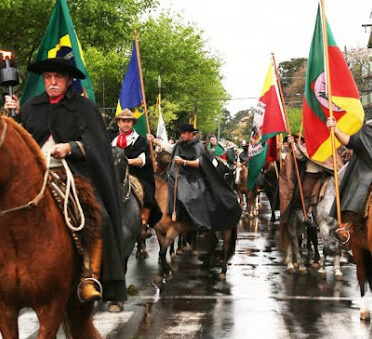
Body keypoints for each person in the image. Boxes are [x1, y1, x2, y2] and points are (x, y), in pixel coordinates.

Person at [4, 57, 126, 303]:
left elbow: (97, 144)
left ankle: (88, 275)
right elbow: (16, 141)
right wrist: (12, 115)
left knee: (99, 216)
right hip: (35, 173)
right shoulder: (30, 106)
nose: (52, 82)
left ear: (69, 80)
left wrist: (71, 147)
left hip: (73, 173)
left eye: (57, 77)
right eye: (48, 77)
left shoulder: (85, 108)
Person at [167, 124, 241, 231]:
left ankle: (198, 222)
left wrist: (183, 162)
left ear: (191, 134)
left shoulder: (198, 147)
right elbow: (169, 149)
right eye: (181, 133)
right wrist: (155, 141)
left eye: (184, 133)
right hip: (180, 175)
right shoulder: (179, 145)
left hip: (194, 177)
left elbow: (199, 163)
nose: (181, 135)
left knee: (189, 194)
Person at [112, 109, 162, 238]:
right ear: (118, 123)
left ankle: (143, 226)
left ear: (132, 123)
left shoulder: (140, 140)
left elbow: (141, 160)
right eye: (123, 121)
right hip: (113, 174)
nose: (126, 124)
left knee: (148, 195)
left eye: (129, 121)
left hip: (135, 174)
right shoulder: (111, 138)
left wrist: (124, 161)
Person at [327, 115, 372, 240]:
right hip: (368, 171)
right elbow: (350, 141)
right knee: (360, 188)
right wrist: (335, 129)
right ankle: (350, 223)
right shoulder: (367, 128)